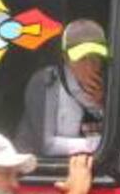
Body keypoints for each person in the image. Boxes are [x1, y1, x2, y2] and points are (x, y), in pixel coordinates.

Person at [15, 19, 108, 157]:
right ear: (65, 57)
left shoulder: (108, 84)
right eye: (82, 58)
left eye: (95, 58)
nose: (90, 66)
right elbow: (47, 145)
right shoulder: (47, 82)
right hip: (41, 169)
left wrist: (102, 105)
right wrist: (98, 143)